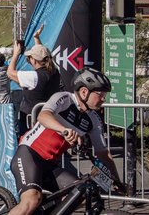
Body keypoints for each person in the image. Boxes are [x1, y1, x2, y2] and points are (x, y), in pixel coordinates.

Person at [10, 67, 126, 215]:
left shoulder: (93, 119)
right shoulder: (64, 98)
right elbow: (43, 116)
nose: (104, 98)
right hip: (29, 154)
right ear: (84, 91)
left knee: (81, 195)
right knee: (32, 200)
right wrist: (63, 130)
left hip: (50, 164)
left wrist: (116, 180)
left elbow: (103, 153)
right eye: (101, 94)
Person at [8, 26, 62, 136]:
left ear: (34, 60)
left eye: (30, 58)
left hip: (31, 120)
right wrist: (36, 38)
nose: (28, 60)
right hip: (49, 118)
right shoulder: (55, 71)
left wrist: (15, 54)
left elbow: (10, 73)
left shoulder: (33, 76)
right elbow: (43, 54)